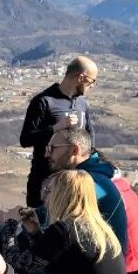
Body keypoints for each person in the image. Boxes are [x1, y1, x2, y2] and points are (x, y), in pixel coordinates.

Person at [26, 170, 128, 274]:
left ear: (60, 195)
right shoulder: (98, 228)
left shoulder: (64, 228)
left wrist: (9, 224)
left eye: (49, 190)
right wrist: (36, 233)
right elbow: (51, 259)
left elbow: (23, 265)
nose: (44, 196)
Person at [21, 56, 98, 207]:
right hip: (43, 181)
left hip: (73, 184)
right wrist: (56, 127)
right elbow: (25, 139)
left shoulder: (83, 104)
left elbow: (90, 141)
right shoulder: (44, 101)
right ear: (80, 77)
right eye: (92, 81)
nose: (92, 86)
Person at [46, 128, 126, 253]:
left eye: (52, 148)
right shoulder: (98, 178)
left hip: (97, 265)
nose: (47, 154)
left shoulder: (87, 183)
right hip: (105, 260)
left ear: (74, 150)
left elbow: (57, 225)